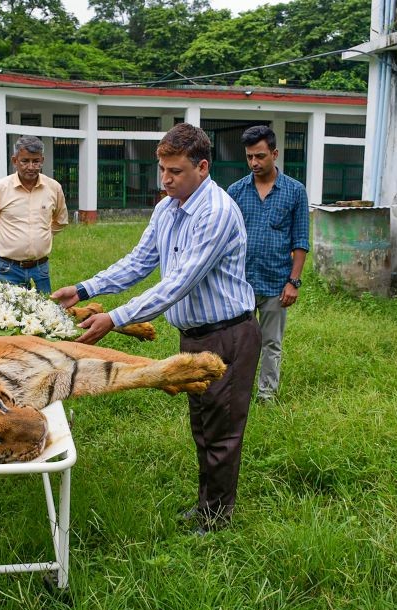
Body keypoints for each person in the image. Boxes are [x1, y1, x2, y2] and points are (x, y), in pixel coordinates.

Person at [51, 123, 262, 534]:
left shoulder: (216, 212)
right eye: (162, 169)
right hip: (195, 335)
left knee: (222, 430)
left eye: (175, 171)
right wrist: (84, 288)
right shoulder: (168, 208)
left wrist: (115, 318)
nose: (165, 179)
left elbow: (178, 282)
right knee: (202, 425)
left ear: (202, 167)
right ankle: (207, 506)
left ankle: (216, 519)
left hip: (228, 334)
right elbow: (138, 262)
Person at [227, 125, 309, 404]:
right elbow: (225, 239)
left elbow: (300, 240)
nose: (254, 163)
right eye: (249, 157)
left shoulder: (295, 192)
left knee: (271, 343)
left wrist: (293, 282)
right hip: (241, 284)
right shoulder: (236, 191)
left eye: (260, 156)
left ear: (275, 154)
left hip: (276, 283)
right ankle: (239, 393)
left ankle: (266, 395)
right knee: (239, 343)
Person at [0, 135, 69, 294]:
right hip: (7, 268)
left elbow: (61, 220)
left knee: (44, 315)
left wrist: (43, 235)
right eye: (25, 161)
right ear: (15, 160)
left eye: (36, 161)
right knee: (7, 316)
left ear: (42, 160)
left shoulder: (54, 188)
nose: (31, 167)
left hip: (40, 268)